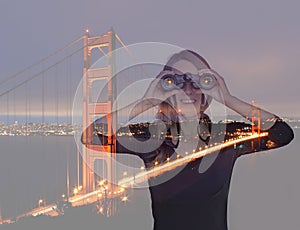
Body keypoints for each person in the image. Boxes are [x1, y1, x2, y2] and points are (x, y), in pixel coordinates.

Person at [82, 50, 294, 230]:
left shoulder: (226, 135)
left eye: (198, 81)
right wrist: (146, 101)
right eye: (175, 82)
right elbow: (91, 136)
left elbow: (282, 134)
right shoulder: (152, 137)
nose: (188, 89)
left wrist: (227, 99)